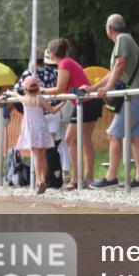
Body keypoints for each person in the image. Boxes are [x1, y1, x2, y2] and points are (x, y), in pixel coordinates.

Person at [85, 14, 139, 189]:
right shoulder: (127, 39)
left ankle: (111, 177)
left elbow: (120, 66)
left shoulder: (121, 39)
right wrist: (93, 87)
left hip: (134, 97)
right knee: (135, 137)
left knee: (113, 135)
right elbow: (112, 71)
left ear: (109, 28)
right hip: (137, 96)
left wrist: (107, 88)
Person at [41, 38, 103, 190]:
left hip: (85, 103)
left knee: (70, 140)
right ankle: (88, 177)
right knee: (85, 140)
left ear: (53, 53)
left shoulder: (64, 64)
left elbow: (59, 88)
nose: (48, 54)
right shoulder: (69, 62)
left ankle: (76, 178)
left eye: (48, 52)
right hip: (90, 102)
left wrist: (41, 91)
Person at [2, 76, 61, 194]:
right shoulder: (40, 99)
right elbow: (53, 110)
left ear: (25, 89)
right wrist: (64, 102)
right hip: (42, 128)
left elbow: (15, 94)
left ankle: (39, 180)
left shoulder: (24, 99)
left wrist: (8, 92)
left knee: (36, 156)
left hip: (30, 130)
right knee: (43, 156)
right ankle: (44, 179)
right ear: (37, 88)